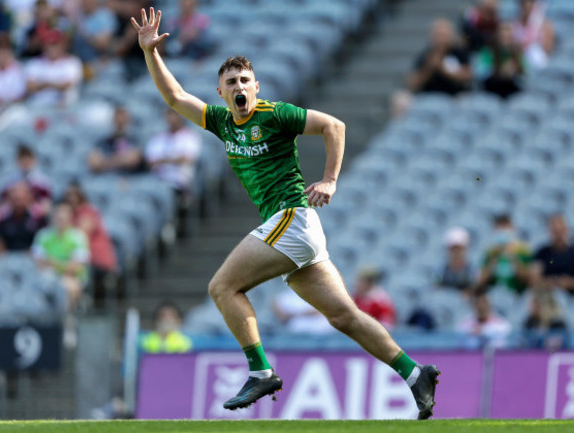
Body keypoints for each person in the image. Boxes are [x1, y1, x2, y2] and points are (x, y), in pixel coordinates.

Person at [131, 8, 440, 418]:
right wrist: (152, 53)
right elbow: (174, 97)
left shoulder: (274, 114)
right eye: (231, 82)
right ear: (220, 92)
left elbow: (336, 127)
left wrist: (329, 180)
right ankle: (415, 374)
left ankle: (260, 370)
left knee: (222, 288)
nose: (239, 86)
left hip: (293, 220)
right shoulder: (223, 121)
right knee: (344, 316)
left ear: (256, 87)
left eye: (245, 80)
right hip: (295, 232)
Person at [145, 107, 201, 236]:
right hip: (157, 181)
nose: (171, 119)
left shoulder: (189, 136)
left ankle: (169, 225)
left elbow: (187, 158)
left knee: (168, 192)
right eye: (169, 115)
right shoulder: (159, 138)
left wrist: (163, 160)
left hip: (179, 181)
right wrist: (173, 159)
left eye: (174, 115)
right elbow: (150, 161)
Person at [63, 181, 118, 308]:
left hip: (97, 262)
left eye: (74, 194)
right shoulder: (70, 215)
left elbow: (81, 235)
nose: (71, 198)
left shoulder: (87, 211)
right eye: (68, 195)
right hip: (82, 261)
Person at [31, 202, 90, 313]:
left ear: (70, 218)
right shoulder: (43, 235)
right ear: (53, 217)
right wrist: (60, 265)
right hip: (47, 276)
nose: (61, 220)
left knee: (69, 287)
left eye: (64, 218)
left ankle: (66, 321)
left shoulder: (78, 237)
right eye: (58, 217)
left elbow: (75, 267)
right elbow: (38, 262)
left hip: (71, 277)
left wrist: (54, 263)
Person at [407, 18, 472, 96]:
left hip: (456, 98)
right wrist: (429, 68)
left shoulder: (459, 53)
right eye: (438, 35)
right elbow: (412, 82)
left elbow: (468, 76)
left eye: (444, 35)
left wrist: (442, 68)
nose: (441, 40)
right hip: (429, 96)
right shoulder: (426, 54)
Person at [476, 214, 532, 295]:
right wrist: (493, 261)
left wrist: (514, 258)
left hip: (517, 295)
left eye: (505, 228)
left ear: (512, 228)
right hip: (493, 295)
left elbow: (528, 280)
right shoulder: (490, 252)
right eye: (499, 229)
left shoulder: (524, 251)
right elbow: (481, 281)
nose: (502, 232)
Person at [25, 30, 83, 107]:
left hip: (64, 107)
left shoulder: (72, 62)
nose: (51, 48)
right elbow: (30, 86)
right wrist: (56, 85)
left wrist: (44, 84)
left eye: (54, 44)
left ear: (62, 45)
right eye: (48, 44)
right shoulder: (34, 63)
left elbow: (67, 86)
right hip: (38, 105)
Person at [0, 182, 48, 253]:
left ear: (28, 199)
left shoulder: (38, 219)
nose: (19, 203)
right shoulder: (3, 220)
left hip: (31, 258)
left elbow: (41, 241)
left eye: (21, 199)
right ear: (10, 200)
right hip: (8, 257)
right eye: (16, 199)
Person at [88, 105, 144, 174]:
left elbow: (132, 160)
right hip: (106, 179)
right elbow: (94, 163)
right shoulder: (104, 141)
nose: (119, 120)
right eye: (117, 116)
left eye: (123, 117)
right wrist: (121, 160)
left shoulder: (135, 139)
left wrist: (106, 162)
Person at [2, 143, 53, 216]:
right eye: (22, 158)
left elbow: (46, 204)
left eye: (28, 158)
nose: (25, 161)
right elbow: (5, 202)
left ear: (33, 159)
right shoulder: (10, 180)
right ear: (17, 160)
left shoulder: (42, 181)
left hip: (35, 216)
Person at [478, 22, 525, 99]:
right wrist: (498, 71)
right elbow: (480, 74)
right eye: (502, 37)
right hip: (492, 92)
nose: (505, 41)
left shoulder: (518, 54)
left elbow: (526, 76)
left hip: (513, 94)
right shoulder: (488, 52)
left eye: (508, 38)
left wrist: (515, 69)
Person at [70, 0, 117, 72]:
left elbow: (103, 44)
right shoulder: (77, 17)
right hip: (79, 63)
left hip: (100, 62)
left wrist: (84, 32)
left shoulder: (105, 15)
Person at [533, 214, 574, 295]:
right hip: (547, 296)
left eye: (560, 230)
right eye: (555, 230)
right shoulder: (542, 253)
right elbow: (534, 277)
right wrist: (551, 283)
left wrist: (565, 282)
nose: (557, 233)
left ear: (566, 230)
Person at [511, 0, 555, 71]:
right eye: (524, 3)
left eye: (530, 2)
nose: (526, 6)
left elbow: (548, 48)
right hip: (519, 64)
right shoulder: (513, 24)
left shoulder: (544, 24)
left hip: (538, 65)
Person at [434, 227, 477, 292]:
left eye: (460, 249)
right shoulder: (441, 271)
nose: (456, 252)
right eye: (453, 249)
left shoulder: (472, 272)